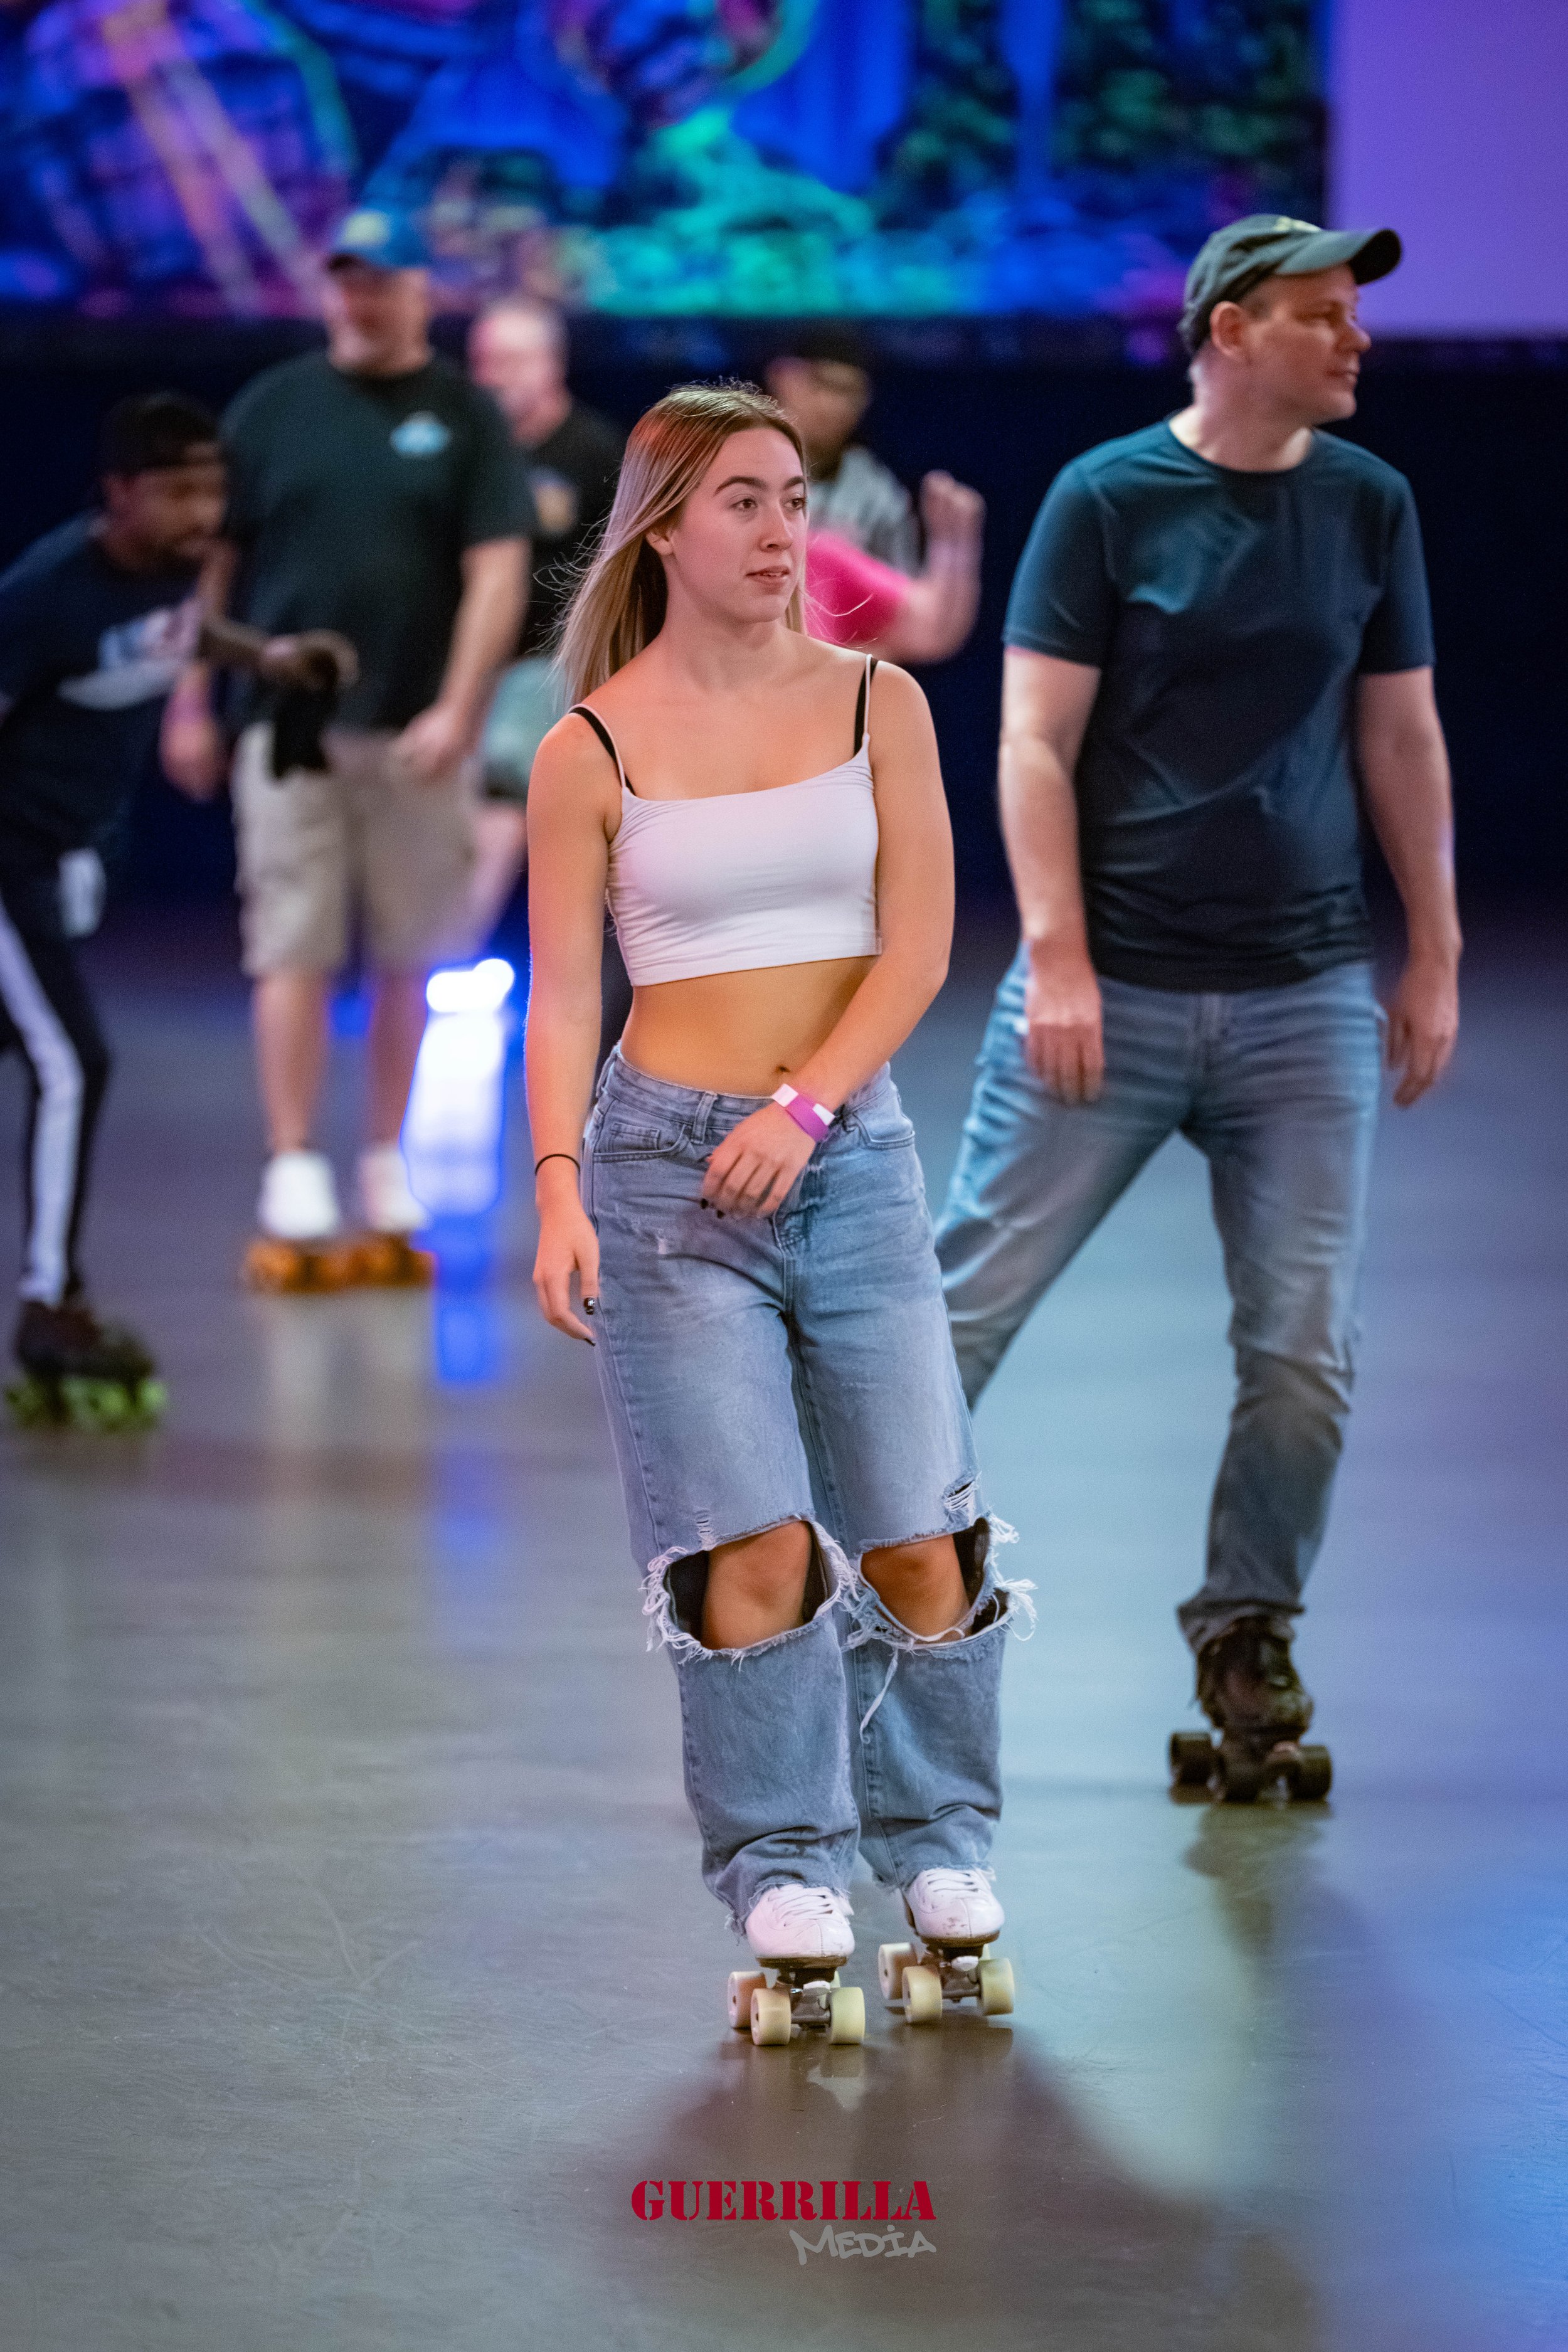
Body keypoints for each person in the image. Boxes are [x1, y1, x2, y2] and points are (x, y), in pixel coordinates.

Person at [935, 216, 1462, 1786]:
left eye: (1354, 318)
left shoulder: (1371, 504)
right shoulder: (1108, 497)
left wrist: (1429, 947)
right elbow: (1032, 742)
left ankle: (1249, 1632)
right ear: (1230, 330)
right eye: (1320, 316)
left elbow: (1403, 739)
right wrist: (1062, 953)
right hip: (1114, 986)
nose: (1354, 342)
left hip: (1303, 997)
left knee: (1303, 1350)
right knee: (955, 1313)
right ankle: (860, 1592)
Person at [525, 383, 1030, 2008]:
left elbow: (920, 948)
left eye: (793, 496)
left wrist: (808, 1107)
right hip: (668, 1176)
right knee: (744, 1540)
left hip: (847, 1157)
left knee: (915, 1531)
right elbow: (555, 997)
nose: (777, 528)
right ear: (662, 522)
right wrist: (554, 1188)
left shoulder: (880, 699)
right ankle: (782, 1868)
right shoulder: (587, 744)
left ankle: (937, 1836)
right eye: (740, 498)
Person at [162, 206, 534, 1269]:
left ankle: (383, 1153)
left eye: (383, 279)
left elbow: (496, 571)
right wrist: (194, 701)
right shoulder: (273, 410)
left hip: (416, 733)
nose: (363, 298)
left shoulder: (464, 416)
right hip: (288, 732)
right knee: (292, 940)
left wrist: (460, 709)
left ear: (421, 290)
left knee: (414, 949)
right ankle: (291, 1160)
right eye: (346, 279)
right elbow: (215, 570)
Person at [0, 395, 354, 1418]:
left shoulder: (169, 571)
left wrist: (274, 660)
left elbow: (183, 630)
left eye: (213, 490)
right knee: (73, 1062)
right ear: (117, 493)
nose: (203, 513)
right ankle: (50, 1305)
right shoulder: (42, 599)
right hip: (9, 861)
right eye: (178, 492)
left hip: (61, 856)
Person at [465, 295, 626, 944]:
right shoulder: (467, 451)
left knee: (504, 775)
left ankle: (450, 947)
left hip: (554, 669)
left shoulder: (595, 451)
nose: (493, 375)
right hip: (467, 666)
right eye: (483, 361)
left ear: (551, 364)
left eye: (510, 360)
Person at [765, 324, 919, 571]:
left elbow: (905, 602)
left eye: (847, 391)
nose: (832, 404)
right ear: (781, 378)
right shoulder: (727, 469)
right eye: (820, 383)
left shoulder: (879, 497)